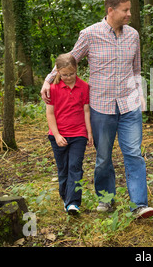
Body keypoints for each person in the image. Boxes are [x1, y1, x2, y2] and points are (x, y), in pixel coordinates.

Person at [41, 0, 153, 219]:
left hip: (129, 105)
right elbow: (71, 58)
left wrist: (140, 94)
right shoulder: (89, 34)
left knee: (133, 154)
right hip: (101, 107)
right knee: (103, 157)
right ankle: (106, 199)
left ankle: (139, 204)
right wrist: (47, 79)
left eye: (130, 9)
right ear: (111, 10)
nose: (129, 14)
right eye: (125, 10)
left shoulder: (133, 35)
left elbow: (136, 70)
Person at [46, 53, 93, 215]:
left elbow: (86, 110)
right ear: (57, 71)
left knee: (75, 166)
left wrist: (89, 132)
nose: (68, 77)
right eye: (64, 74)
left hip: (79, 133)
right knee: (63, 168)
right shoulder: (52, 89)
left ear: (77, 69)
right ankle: (65, 197)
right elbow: (50, 114)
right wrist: (57, 135)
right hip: (58, 135)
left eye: (71, 74)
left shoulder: (84, 86)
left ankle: (73, 202)